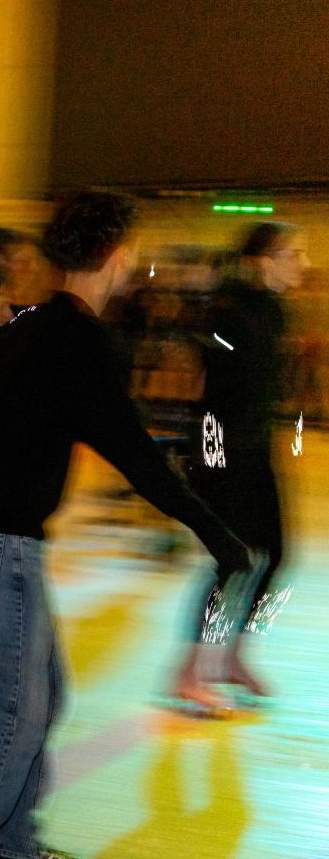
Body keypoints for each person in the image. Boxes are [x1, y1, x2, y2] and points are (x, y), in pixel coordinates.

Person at [0, 191, 251, 859]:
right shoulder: (74, 340)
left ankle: (11, 840)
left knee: (43, 691)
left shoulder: (37, 325)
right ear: (118, 254)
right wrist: (216, 533)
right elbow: (136, 456)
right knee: (15, 705)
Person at [169, 221, 307, 712]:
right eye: (294, 254)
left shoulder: (277, 311)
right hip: (223, 456)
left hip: (258, 454)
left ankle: (234, 654)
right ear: (264, 261)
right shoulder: (229, 312)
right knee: (231, 560)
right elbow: (207, 399)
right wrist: (212, 464)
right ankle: (188, 670)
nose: (304, 263)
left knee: (278, 556)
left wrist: (289, 445)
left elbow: (273, 393)